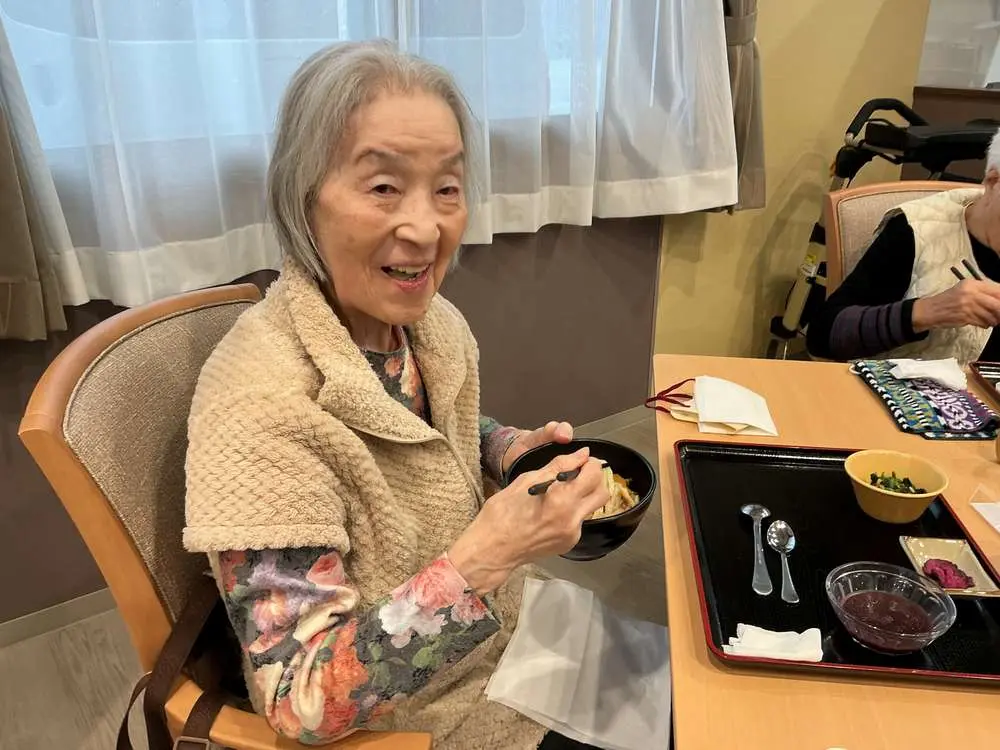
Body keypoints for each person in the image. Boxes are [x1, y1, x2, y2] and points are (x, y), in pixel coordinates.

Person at [183, 41, 612, 750]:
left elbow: (421, 428)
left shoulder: (424, 326)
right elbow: (300, 700)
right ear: (302, 198)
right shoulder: (259, 410)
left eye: (447, 188)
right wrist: (482, 562)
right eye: (383, 187)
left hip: (509, 639)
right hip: (423, 718)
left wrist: (508, 450)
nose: (425, 227)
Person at [807, 128, 1000, 364]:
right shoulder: (918, 229)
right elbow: (824, 335)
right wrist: (927, 311)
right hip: (903, 384)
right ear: (992, 182)